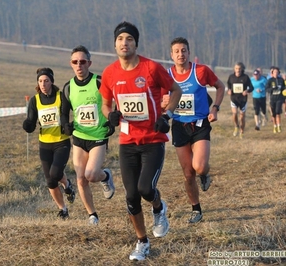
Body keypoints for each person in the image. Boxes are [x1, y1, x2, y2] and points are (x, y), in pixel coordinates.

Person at [100, 21, 182, 261]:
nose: (124, 43)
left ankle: (159, 207)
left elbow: (175, 91)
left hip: (153, 140)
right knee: (131, 196)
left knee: (146, 189)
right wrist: (110, 115)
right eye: (120, 39)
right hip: (127, 142)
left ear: (136, 44)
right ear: (115, 43)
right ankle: (142, 242)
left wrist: (167, 115)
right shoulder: (109, 73)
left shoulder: (151, 68)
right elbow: (105, 104)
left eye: (129, 39)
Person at [164, 37, 225, 224]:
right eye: (177, 51)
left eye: (184, 50)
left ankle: (205, 174)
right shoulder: (167, 75)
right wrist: (163, 104)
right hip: (179, 126)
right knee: (188, 173)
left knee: (199, 166)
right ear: (171, 55)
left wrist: (215, 108)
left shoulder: (200, 71)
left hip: (199, 124)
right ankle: (196, 209)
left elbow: (220, 86)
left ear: (189, 53)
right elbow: (160, 99)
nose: (180, 54)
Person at [62, 45, 115, 226]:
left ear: (89, 63)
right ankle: (92, 215)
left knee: (91, 175)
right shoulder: (68, 87)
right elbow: (64, 111)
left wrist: (112, 120)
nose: (79, 65)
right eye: (75, 62)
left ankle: (105, 176)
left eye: (83, 62)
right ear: (71, 64)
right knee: (80, 178)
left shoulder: (99, 82)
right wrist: (65, 125)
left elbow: (115, 100)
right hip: (79, 136)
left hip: (98, 135)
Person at [22, 67, 76, 219]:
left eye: (46, 81)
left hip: (61, 141)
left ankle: (67, 185)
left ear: (52, 81)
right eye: (40, 81)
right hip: (44, 143)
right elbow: (32, 121)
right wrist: (28, 125)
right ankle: (63, 209)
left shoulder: (61, 96)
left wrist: (67, 126)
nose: (43, 84)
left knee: (55, 173)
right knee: (50, 181)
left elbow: (66, 114)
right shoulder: (35, 100)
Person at [226, 62, 254, 138]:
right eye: (236, 68)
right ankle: (236, 126)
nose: (238, 70)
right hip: (234, 98)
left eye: (239, 68)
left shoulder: (245, 77)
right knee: (234, 114)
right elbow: (228, 84)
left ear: (242, 69)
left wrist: (247, 91)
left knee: (242, 117)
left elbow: (251, 87)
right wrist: (229, 90)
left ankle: (242, 131)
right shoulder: (231, 77)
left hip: (243, 100)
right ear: (234, 69)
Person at [266, 67, 286, 133]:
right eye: (274, 72)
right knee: (273, 114)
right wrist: (272, 89)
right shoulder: (270, 80)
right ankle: (274, 126)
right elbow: (267, 89)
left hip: (279, 99)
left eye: (277, 72)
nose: (276, 73)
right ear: (272, 73)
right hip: (272, 99)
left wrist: (285, 90)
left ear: (278, 73)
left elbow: (284, 87)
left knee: (278, 113)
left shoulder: (281, 80)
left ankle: (279, 126)